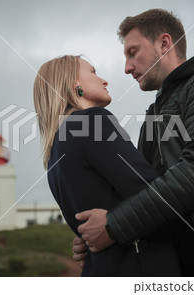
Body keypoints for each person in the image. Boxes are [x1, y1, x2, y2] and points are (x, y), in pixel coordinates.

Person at [73, 9, 194, 277]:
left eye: (133, 52)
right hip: (183, 268)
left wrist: (114, 225)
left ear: (164, 44)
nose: (127, 67)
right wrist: (94, 234)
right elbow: (143, 191)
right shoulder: (154, 116)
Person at [33, 55, 181, 276]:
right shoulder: (91, 121)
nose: (104, 80)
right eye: (93, 72)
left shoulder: (54, 151)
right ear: (75, 84)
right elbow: (155, 197)